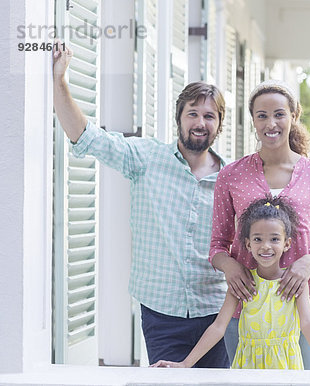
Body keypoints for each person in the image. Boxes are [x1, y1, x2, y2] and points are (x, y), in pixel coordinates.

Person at [52, 41, 230, 368]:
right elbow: (85, 136)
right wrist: (60, 82)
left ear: (219, 124)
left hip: (217, 314)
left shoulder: (231, 178)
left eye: (209, 115)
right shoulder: (146, 157)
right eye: (193, 113)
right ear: (180, 117)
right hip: (161, 314)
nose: (200, 122)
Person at [209, 79, 310, 370]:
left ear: (293, 116)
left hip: (305, 315)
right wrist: (231, 266)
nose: (271, 123)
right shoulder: (230, 175)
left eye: (279, 114)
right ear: (253, 121)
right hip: (246, 314)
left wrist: (307, 262)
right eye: (262, 115)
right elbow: (218, 245)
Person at [151, 197, 310, 370]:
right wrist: (185, 364)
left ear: (287, 243)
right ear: (248, 244)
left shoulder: (294, 284)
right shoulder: (243, 284)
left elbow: (308, 323)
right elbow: (218, 327)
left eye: (274, 239)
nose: (265, 246)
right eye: (258, 239)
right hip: (247, 369)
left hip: (286, 368)